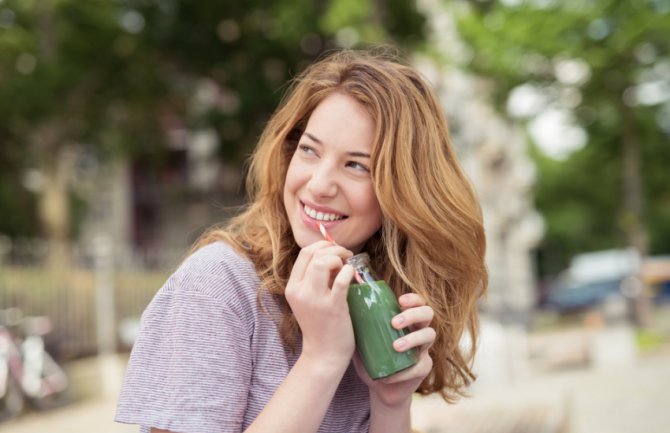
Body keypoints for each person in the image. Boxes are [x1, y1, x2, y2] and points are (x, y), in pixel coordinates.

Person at [115, 47, 488, 433]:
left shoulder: (375, 299)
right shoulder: (216, 287)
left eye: (356, 165)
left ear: (403, 192)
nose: (319, 184)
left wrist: (390, 402)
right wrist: (321, 360)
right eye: (309, 150)